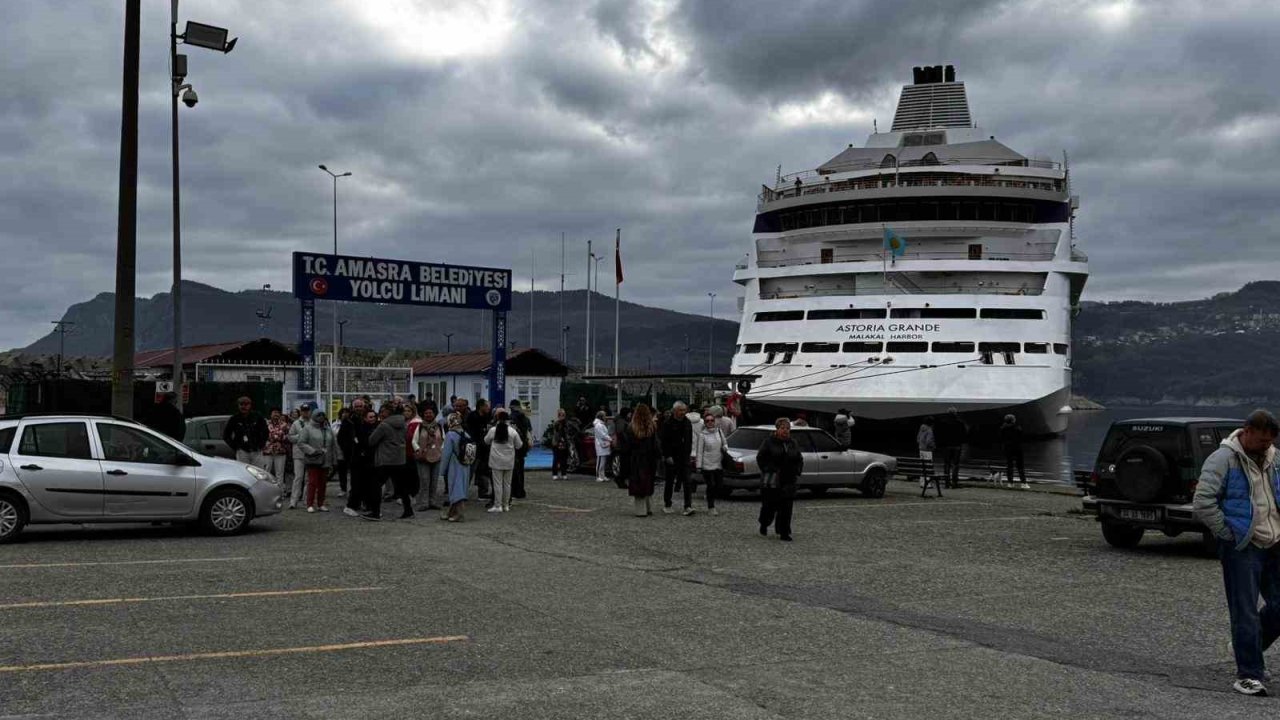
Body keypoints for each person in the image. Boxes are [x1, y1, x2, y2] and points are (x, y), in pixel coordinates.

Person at [1193, 410, 1280, 696]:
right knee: (1244, 611)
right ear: (1246, 431)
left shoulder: (1275, 458)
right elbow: (1203, 502)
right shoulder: (1222, 460)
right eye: (1261, 441)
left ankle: (1247, 646)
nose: (1265, 446)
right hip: (1242, 546)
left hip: (1274, 542)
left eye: (1270, 442)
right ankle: (1249, 674)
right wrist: (1228, 534)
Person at [757, 417, 804, 541]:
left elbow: (799, 458)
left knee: (786, 507)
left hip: (789, 479)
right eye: (783, 428)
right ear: (777, 429)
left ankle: (784, 532)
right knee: (769, 507)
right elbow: (760, 458)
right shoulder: (769, 442)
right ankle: (764, 523)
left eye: (788, 428)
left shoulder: (793, 442)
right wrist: (768, 469)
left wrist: (797, 470)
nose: (785, 431)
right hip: (773, 480)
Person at [365, 400, 407, 520]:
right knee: (401, 486)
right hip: (400, 458)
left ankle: (375, 512)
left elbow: (371, 441)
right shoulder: (403, 423)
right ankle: (408, 510)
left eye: (382, 411)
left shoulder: (384, 425)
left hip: (386, 459)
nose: (380, 413)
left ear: (388, 412)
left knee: (375, 485)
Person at [484, 408, 524, 513]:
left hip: (496, 461)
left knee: (497, 484)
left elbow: (486, 441)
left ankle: (498, 505)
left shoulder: (493, 430)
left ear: (497, 418)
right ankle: (506, 505)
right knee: (507, 484)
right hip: (509, 461)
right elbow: (519, 445)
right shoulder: (512, 431)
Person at [625, 404, 661, 517]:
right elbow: (656, 444)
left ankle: (641, 510)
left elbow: (628, 446)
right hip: (650, 458)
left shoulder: (631, 428)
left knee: (638, 483)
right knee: (648, 482)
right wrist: (659, 456)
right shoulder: (652, 427)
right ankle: (649, 507)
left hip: (636, 459)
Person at [660, 401, 694, 515]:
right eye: (680, 410)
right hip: (672, 456)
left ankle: (688, 506)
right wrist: (667, 455)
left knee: (687, 482)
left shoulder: (687, 423)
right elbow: (664, 441)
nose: (683, 413)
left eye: (684, 410)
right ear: (675, 411)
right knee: (670, 481)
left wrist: (689, 453)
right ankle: (667, 504)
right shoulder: (667, 423)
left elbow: (690, 440)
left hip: (684, 456)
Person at [296, 410, 334, 512]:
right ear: (313, 416)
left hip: (325, 460)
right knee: (312, 482)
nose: (321, 417)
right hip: (313, 459)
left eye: (323, 415)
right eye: (318, 415)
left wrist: (333, 459)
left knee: (323, 483)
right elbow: (301, 443)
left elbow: (333, 445)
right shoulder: (307, 428)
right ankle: (309, 504)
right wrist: (312, 451)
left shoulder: (328, 429)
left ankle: (321, 504)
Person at [343, 407, 378, 517]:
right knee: (357, 485)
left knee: (369, 486)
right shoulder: (360, 428)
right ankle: (350, 506)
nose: (373, 419)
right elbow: (358, 443)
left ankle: (369, 507)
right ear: (365, 418)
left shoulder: (376, 428)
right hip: (358, 461)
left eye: (374, 417)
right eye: (370, 417)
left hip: (370, 461)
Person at [693, 410, 729, 516]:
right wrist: (698, 466)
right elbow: (699, 451)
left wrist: (725, 447)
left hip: (718, 463)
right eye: (707, 421)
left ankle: (710, 497)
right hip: (707, 464)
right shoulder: (702, 435)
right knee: (711, 485)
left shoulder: (719, 431)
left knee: (719, 485)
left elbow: (724, 443)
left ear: (714, 421)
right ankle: (711, 506)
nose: (710, 422)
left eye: (711, 420)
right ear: (705, 422)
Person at [440, 413, 472, 522]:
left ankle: (460, 514)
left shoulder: (450, 434)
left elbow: (446, 454)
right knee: (460, 487)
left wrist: (442, 470)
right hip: (465, 464)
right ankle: (451, 512)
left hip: (454, 464)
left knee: (455, 488)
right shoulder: (466, 434)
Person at [223, 396, 268, 470]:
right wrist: (236, 446)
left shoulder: (257, 417)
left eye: (246, 404)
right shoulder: (234, 419)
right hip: (242, 452)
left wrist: (261, 445)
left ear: (250, 405)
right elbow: (226, 435)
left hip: (256, 451)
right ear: (238, 405)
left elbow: (265, 432)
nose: (244, 406)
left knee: (258, 472)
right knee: (243, 472)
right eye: (241, 404)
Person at [413, 406, 444, 511]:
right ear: (423, 415)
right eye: (426, 413)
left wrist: (440, 451)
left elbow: (443, 440)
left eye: (430, 413)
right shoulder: (420, 426)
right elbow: (414, 441)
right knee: (424, 480)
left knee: (434, 481)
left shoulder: (439, 426)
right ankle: (423, 503)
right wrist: (418, 450)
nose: (428, 415)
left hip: (436, 456)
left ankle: (433, 501)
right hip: (423, 457)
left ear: (434, 414)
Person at [286, 403, 314, 509]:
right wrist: (301, 436)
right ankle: (293, 501)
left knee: (308, 479)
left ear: (309, 411)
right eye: (303, 410)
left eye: (307, 410)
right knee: (298, 477)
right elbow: (290, 437)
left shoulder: (313, 423)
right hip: (298, 454)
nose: (305, 412)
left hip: (310, 454)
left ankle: (307, 500)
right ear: (301, 411)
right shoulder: (296, 423)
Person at [467, 399, 493, 504]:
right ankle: (462, 493)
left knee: (484, 472)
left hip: (484, 450)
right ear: (481, 406)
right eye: (487, 406)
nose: (488, 408)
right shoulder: (473, 417)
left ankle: (483, 492)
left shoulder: (488, 417)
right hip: (473, 448)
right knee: (469, 472)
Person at [936, 407, 967, 489]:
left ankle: (947, 482)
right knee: (955, 465)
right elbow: (963, 435)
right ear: (955, 413)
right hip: (957, 446)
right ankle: (954, 482)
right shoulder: (960, 423)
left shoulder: (943, 423)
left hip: (946, 446)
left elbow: (940, 435)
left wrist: (941, 444)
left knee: (946, 464)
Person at [508, 399, 532, 500]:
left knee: (513, 471)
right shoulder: (526, 418)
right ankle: (521, 490)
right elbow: (529, 431)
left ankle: (515, 491)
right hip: (523, 446)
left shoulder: (511, 418)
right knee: (520, 469)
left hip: (513, 447)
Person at [263, 408, 291, 486]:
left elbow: (289, 437)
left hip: (280, 451)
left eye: (277, 413)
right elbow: (262, 435)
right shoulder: (266, 423)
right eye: (274, 413)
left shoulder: (284, 424)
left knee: (280, 473)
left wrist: (275, 437)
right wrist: (277, 437)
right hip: (267, 451)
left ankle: (280, 493)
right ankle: (266, 490)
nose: (276, 414)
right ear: (270, 414)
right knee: (266, 472)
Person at [999, 414, 1028, 488]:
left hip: (1007, 448)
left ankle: (1010, 483)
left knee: (1009, 466)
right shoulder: (1017, 428)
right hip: (1017, 448)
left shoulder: (1002, 429)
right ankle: (1023, 483)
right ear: (1013, 420)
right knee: (1020, 466)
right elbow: (1022, 437)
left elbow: (1001, 439)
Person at [917, 417, 940, 498]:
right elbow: (929, 441)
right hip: (927, 450)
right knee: (928, 467)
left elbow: (918, 439)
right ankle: (927, 483)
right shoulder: (929, 430)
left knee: (922, 466)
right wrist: (933, 447)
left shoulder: (921, 429)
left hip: (921, 449)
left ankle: (922, 482)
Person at [549, 409, 573, 480]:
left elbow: (568, 432)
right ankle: (555, 474)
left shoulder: (567, 423)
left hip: (565, 444)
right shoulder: (557, 423)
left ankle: (564, 473)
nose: (563, 416)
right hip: (557, 443)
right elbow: (556, 433)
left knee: (564, 459)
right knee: (556, 459)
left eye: (564, 415)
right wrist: (560, 439)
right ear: (558, 415)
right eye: (561, 415)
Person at [592, 411, 612, 483]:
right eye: (604, 416)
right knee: (600, 461)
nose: (605, 417)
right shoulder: (598, 425)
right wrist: (610, 438)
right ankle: (598, 476)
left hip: (603, 444)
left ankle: (602, 475)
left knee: (603, 462)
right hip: (600, 444)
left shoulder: (600, 424)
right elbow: (602, 435)